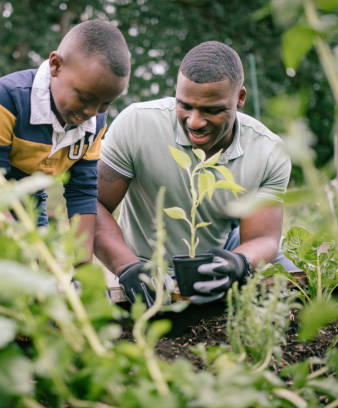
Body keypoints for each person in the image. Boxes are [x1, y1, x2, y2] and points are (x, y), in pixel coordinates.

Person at [94, 41, 293, 306]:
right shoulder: (137, 125)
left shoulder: (268, 152)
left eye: (212, 110)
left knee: (293, 286)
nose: (195, 122)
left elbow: (262, 238)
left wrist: (239, 262)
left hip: (220, 254)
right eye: (185, 106)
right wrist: (126, 266)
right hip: (145, 262)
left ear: (240, 98)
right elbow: (92, 204)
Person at [0, 20, 130, 261]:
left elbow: (82, 193)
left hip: (31, 206)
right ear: (56, 66)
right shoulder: (6, 100)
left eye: (104, 104)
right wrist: (24, 252)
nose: (92, 112)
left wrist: (81, 268)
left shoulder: (94, 123)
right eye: (85, 98)